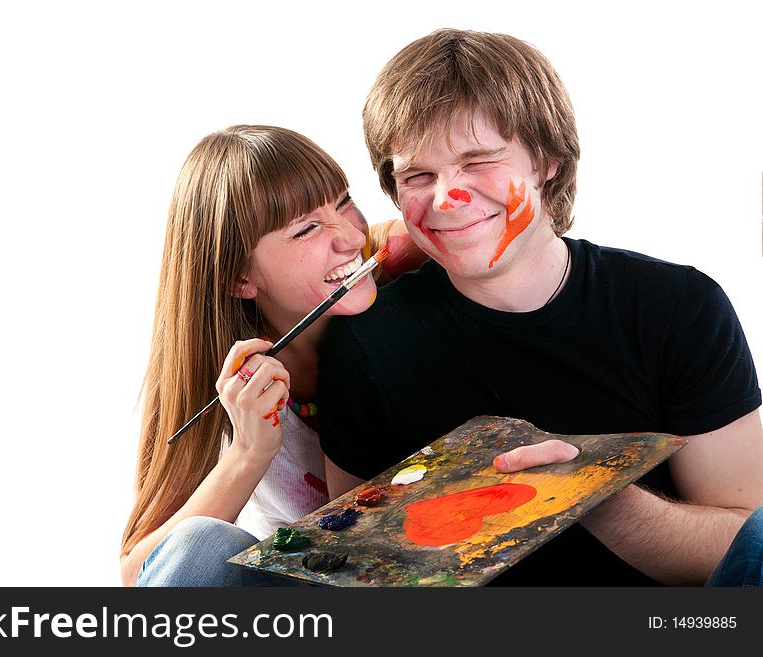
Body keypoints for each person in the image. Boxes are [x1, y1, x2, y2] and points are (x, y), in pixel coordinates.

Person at [318, 29, 763, 586]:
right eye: (418, 175)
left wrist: (597, 498)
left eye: (478, 160)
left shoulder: (680, 308)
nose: (445, 198)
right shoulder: (366, 344)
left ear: (548, 160)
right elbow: (351, 567)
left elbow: (749, 549)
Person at [119, 124, 571, 587]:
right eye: (307, 229)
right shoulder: (227, 375)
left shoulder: (407, 267)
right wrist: (249, 452)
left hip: (455, 564)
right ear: (240, 277)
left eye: (343, 203)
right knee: (202, 545)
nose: (350, 238)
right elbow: (142, 574)